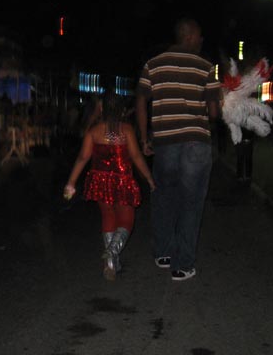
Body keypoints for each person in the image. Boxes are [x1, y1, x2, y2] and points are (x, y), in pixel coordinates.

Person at [136, 18, 220, 282]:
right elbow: (214, 113)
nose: (202, 41)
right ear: (191, 36)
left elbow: (140, 99)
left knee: (164, 196)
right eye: (200, 36)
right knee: (191, 202)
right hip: (196, 140)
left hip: (165, 141)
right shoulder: (206, 67)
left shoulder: (153, 64)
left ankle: (163, 252)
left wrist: (142, 137)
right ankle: (182, 265)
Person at [63, 91, 154, 281]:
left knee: (108, 216)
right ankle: (112, 251)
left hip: (100, 181)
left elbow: (83, 157)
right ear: (122, 110)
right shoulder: (127, 130)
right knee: (127, 219)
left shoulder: (94, 131)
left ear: (102, 108)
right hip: (121, 180)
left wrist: (71, 182)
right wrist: (149, 178)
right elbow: (137, 157)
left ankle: (110, 264)